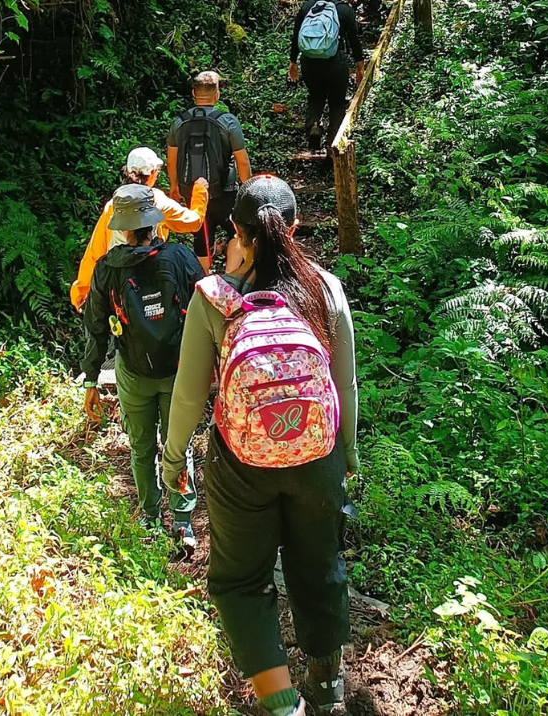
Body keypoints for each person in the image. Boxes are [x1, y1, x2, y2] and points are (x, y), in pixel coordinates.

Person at [161, 175, 359, 716]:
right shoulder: (326, 289)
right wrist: (348, 454)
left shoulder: (214, 298)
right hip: (318, 457)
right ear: (294, 227)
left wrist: (174, 460)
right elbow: (344, 386)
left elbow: (187, 396)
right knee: (319, 564)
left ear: (236, 232)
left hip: (240, 463)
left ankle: (280, 704)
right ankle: (327, 686)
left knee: (241, 580)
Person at [81, 183, 206, 552]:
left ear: (120, 229)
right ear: (155, 223)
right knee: (177, 446)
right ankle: (182, 523)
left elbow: (96, 328)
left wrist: (91, 379)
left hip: (133, 373)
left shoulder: (106, 269)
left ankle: (150, 519)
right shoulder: (181, 258)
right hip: (178, 372)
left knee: (140, 448)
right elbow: (206, 311)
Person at [70, 147, 208, 312]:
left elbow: (95, 251)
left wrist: (82, 291)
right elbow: (193, 222)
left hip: (119, 281)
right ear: (152, 174)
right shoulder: (158, 202)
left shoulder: (114, 205)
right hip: (153, 277)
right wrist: (200, 191)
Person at [167, 71, 252, 274]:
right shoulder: (228, 122)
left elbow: (171, 159)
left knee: (202, 236)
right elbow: (242, 161)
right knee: (238, 232)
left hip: (194, 192)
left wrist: (174, 187)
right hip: (225, 191)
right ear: (217, 94)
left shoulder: (179, 123)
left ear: (193, 93)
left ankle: (205, 281)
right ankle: (230, 277)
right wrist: (247, 188)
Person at [289, 0, 365, 150]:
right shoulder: (343, 9)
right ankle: (333, 143)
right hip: (335, 63)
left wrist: (293, 62)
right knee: (337, 103)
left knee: (315, 97)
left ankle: (314, 125)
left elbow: (296, 34)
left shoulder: (308, 7)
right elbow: (354, 40)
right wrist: (360, 66)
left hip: (309, 63)